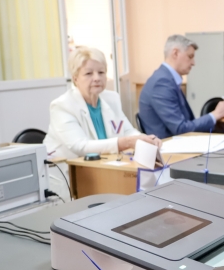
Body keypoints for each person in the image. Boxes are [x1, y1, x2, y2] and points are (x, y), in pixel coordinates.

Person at [44, 46, 160, 198]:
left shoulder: (111, 98)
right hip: (67, 180)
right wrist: (127, 142)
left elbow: (128, 130)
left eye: (101, 72)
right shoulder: (62, 105)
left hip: (104, 171)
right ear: (75, 78)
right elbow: (81, 146)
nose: (97, 78)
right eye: (88, 73)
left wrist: (145, 140)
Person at [138, 35, 224, 137]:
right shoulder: (161, 83)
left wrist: (215, 117)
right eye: (190, 56)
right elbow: (180, 129)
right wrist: (215, 114)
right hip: (170, 147)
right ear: (175, 53)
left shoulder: (167, 79)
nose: (193, 63)